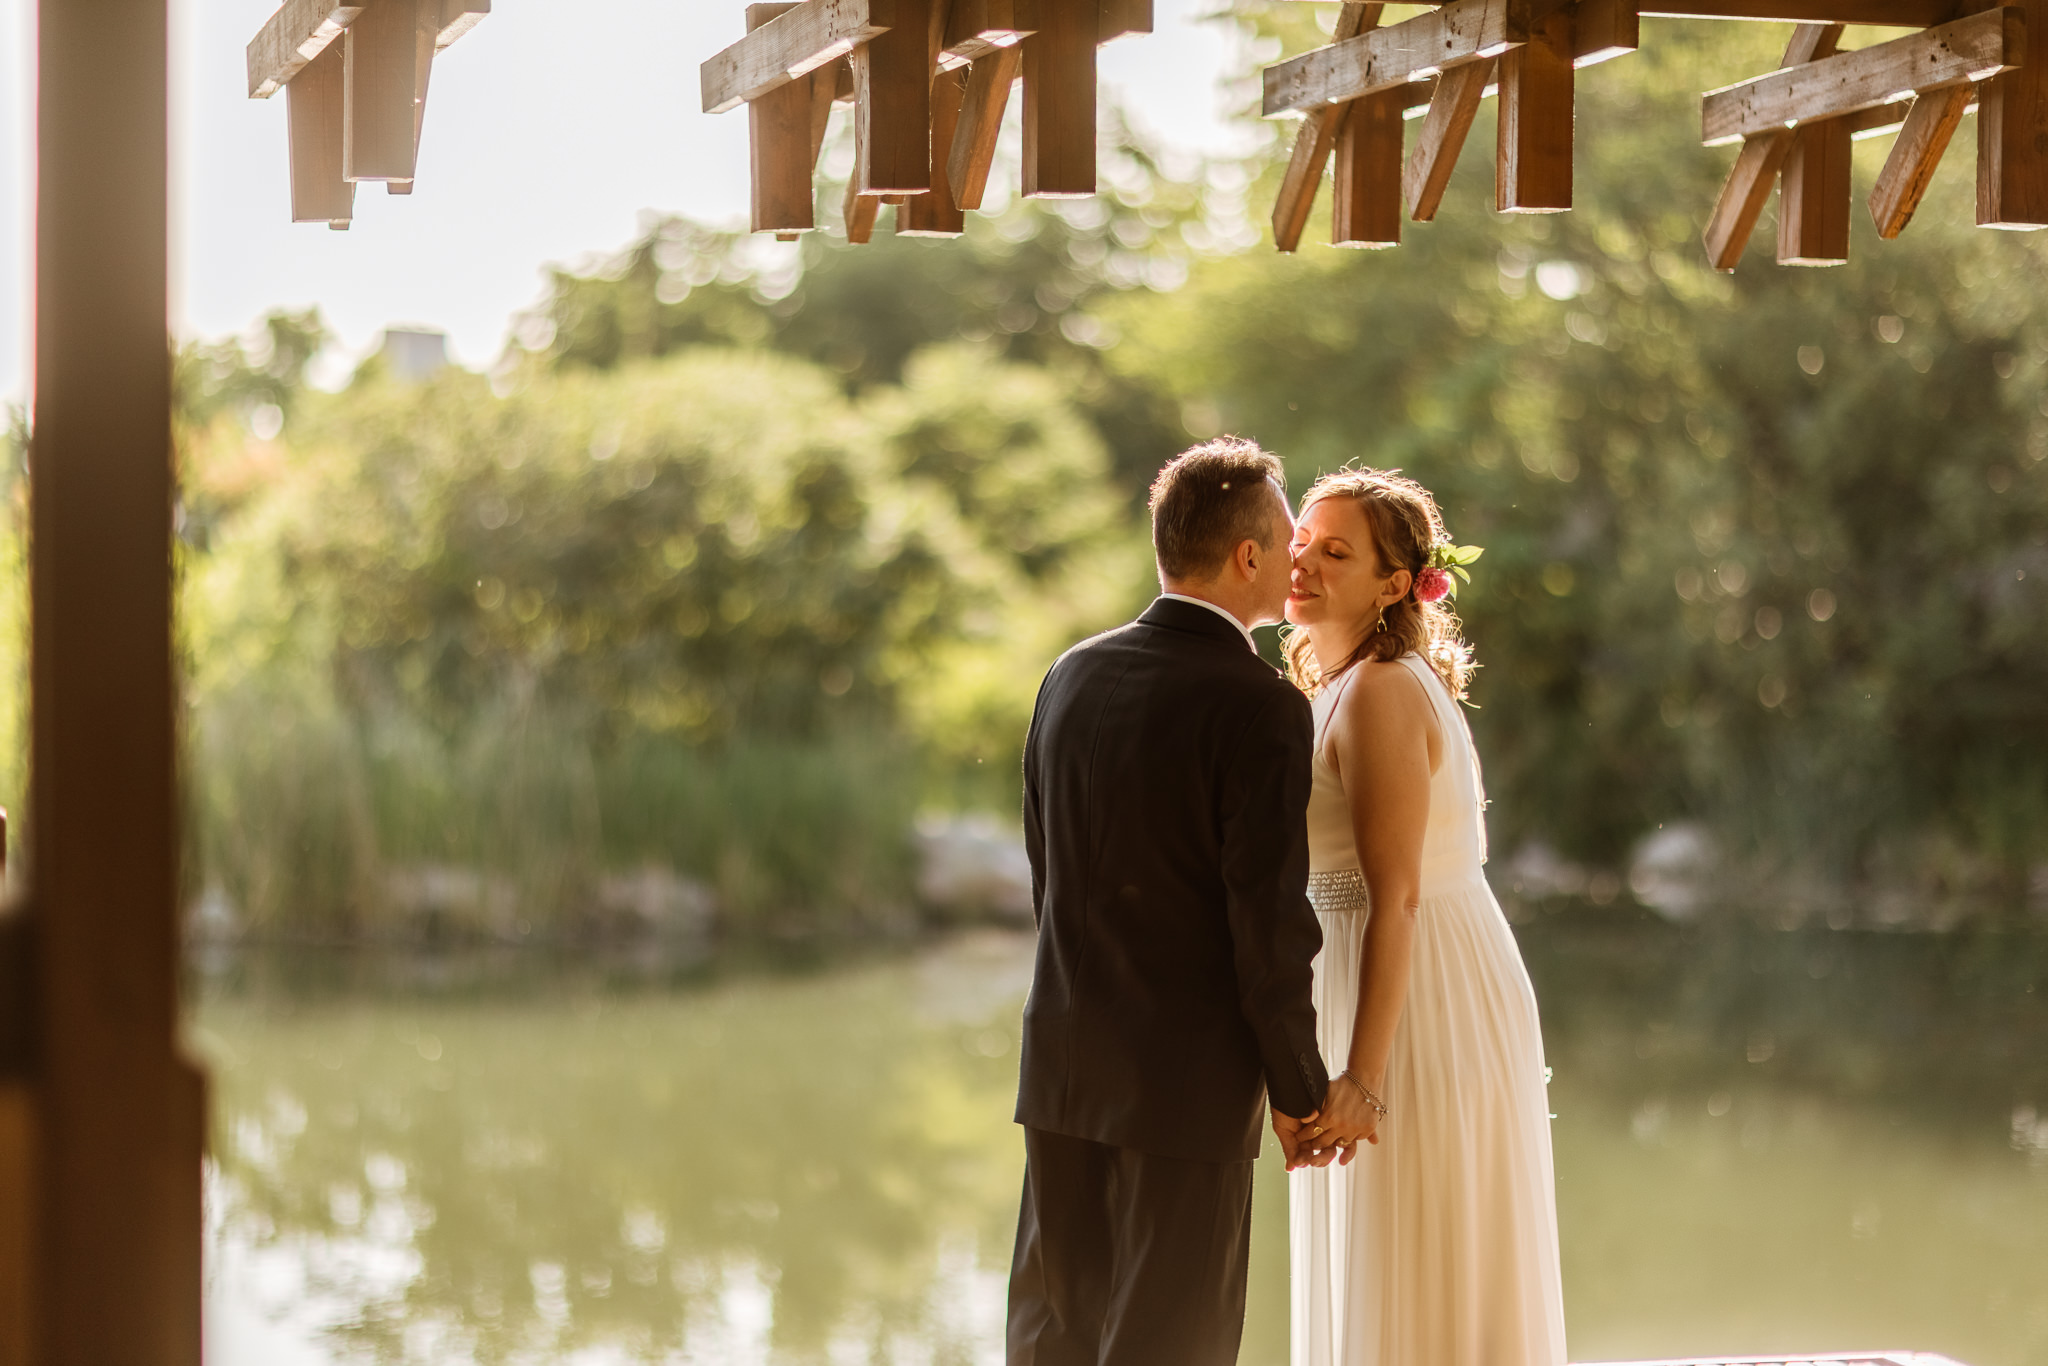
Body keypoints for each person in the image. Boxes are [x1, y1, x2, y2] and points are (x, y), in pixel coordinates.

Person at [1007, 438, 1334, 1366]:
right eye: (1287, 536)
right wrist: (1298, 1089)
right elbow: (1267, 922)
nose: (1298, 554)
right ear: (1248, 558)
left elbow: (1049, 873)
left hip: (1064, 1058)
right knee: (1171, 1343)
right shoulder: (1260, 705)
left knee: (1050, 1334)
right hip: (1185, 1085)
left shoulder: (1068, 673)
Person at [1280, 467, 1567, 1366]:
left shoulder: (1379, 690)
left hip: (1419, 994)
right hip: (1375, 975)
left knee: (1414, 1244)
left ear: (1395, 583)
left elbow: (1394, 892)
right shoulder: (1342, 682)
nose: (1306, 564)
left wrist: (1364, 1077)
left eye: (1337, 552)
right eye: (1301, 544)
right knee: (1386, 1250)